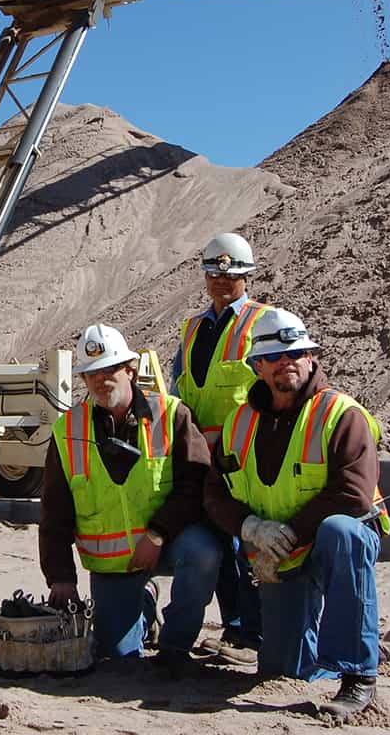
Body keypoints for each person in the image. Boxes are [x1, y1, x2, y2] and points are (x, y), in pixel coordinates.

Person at [204, 307, 390, 719]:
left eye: (296, 353)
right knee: (283, 668)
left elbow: (353, 495)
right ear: (257, 366)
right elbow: (214, 492)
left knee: (344, 532)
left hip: (328, 544)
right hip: (279, 552)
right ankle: (327, 652)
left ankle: (359, 674)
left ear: (311, 358)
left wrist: (286, 534)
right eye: (273, 357)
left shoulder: (342, 415)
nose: (285, 363)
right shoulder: (239, 423)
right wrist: (250, 527)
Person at [40, 323, 221, 673]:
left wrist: (157, 533)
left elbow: (197, 483)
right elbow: (55, 511)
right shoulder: (67, 431)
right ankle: (144, 601)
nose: (101, 379)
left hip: (168, 540)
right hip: (115, 563)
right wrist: (60, 576)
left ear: (130, 370)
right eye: (92, 373)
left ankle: (175, 646)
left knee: (204, 553)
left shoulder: (172, 415)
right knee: (117, 658)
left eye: (110, 369)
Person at [172, 233, 269, 662]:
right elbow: (181, 387)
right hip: (203, 460)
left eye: (230, 275)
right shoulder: (192, 329)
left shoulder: (261, 323)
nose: (221, 281)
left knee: (249, 546)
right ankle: (235, 630)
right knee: (222, 547)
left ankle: (256, 632)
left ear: (246, 277)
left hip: (245, 458)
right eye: (213, 273)